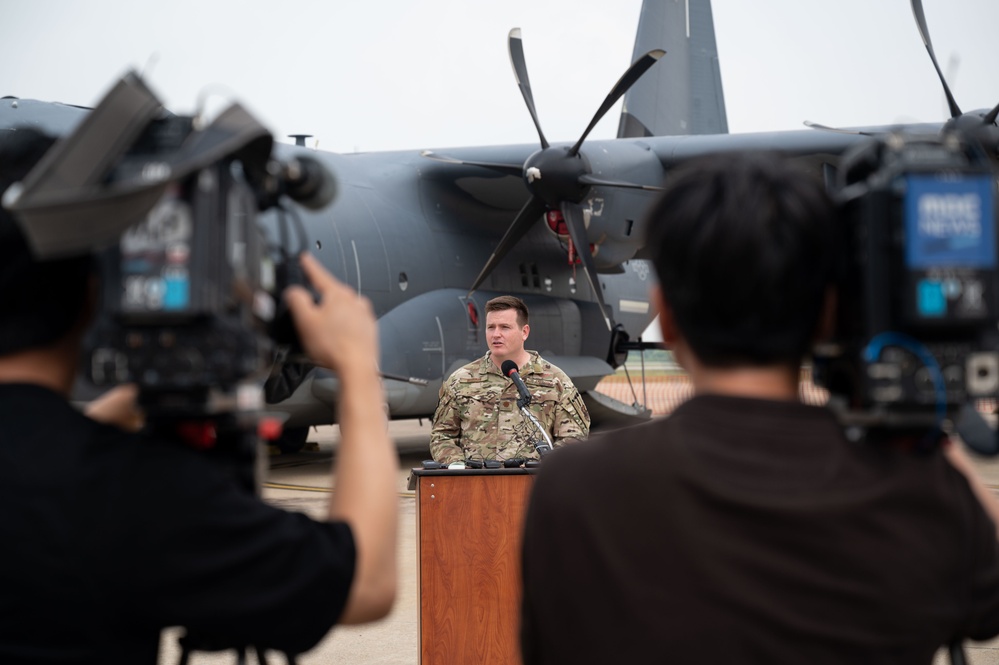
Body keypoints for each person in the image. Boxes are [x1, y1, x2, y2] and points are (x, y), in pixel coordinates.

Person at [520, 152, 999, 663]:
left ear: (668, 317)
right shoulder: (920, 490)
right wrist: (926, 420)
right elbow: (986, 607)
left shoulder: (574, 488)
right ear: (826, 315)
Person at [0, 127, 398, 662]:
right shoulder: (129, 494)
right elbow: (365, 581)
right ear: (95, 288)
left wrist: (117, 411)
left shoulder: (89, 477)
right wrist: (355, 369)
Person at [429, 295, 589, 466]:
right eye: (491, 327)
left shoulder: (556, 380)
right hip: (476, 484)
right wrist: (456, 463)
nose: (496, 334)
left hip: (531, 484)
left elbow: (575, 436)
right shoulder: (460, 380)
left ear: (524, 332)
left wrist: (549, 467)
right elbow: (442, 435)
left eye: (505, 327)